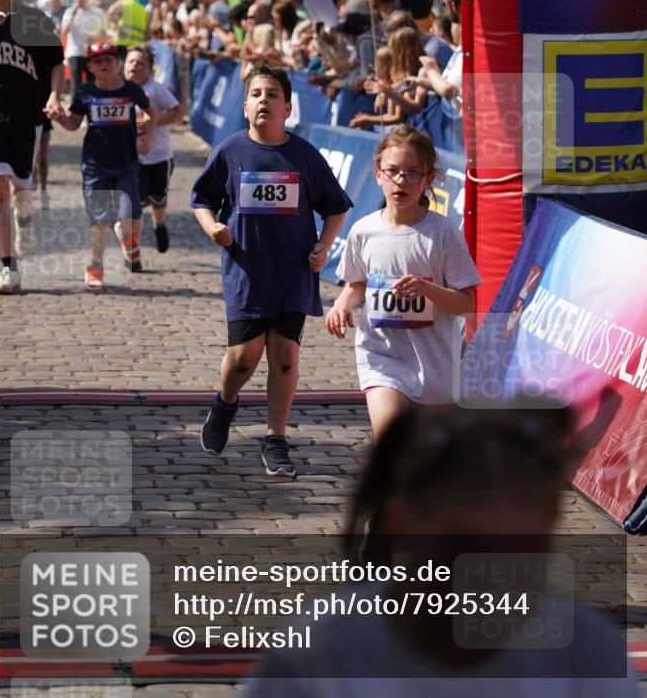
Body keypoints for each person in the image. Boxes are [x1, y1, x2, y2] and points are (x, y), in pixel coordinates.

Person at [242, 402, 639, 697]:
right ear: (399, 524)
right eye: (461, 548)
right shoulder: (322, 649)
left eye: (524, 554)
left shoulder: (586, 652)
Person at [191, 64, 352, 477]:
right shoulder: (230, 150)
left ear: (288, 108)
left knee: (284, 356)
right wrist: (212, 227)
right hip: (246, 269)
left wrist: (323, 246)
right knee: (244, 358)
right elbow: (202, 199)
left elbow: (336, 207)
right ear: (245, 106)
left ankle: (275, 438)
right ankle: (225, 404)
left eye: (273, 94)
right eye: (256, 94)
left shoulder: (304, 155)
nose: (264, 100)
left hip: (293, 271)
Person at [326, 125, 480, 439]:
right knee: (391, 442)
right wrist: (341, 305)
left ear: (428, 180)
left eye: (412, 173)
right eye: (393, 171)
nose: (401, 180)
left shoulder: (442, 233)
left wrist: (428, 289)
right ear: (378, 175)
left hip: (434, 364)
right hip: (382, 359)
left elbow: (467, 303)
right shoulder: (363, 231)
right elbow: (357, 283)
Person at [0, 0, 64, 294]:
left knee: (21, 192)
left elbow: (57, 63)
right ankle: (8, 268)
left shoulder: (34, 21)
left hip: (27, 119)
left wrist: (55, 96)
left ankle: (24, 218)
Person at [49, 40, 155, 291]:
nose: (104, 64)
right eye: (98, 61)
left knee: (130, 215)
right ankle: (95, 267)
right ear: (90, 66)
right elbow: (74, 123)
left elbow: (151, 111)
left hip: (126, 163)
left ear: (117, 62)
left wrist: (148, 138)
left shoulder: (131, 90)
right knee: (99, 219)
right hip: (95, 165)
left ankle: (126, 236)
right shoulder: (85, 92)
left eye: (108, 59)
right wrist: (60, 119)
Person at [123, 45, 182, 254]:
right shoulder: (118, 90)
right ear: (123, 65)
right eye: (131, 62)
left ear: (150, 69)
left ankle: (160, 224)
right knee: (135, 205)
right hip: (132, 159)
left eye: (141, 64)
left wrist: (153, 123)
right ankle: (133, 250)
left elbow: (178, 112)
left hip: (159, 156)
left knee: (158, 197)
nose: (135, 66)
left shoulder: (156, 90)